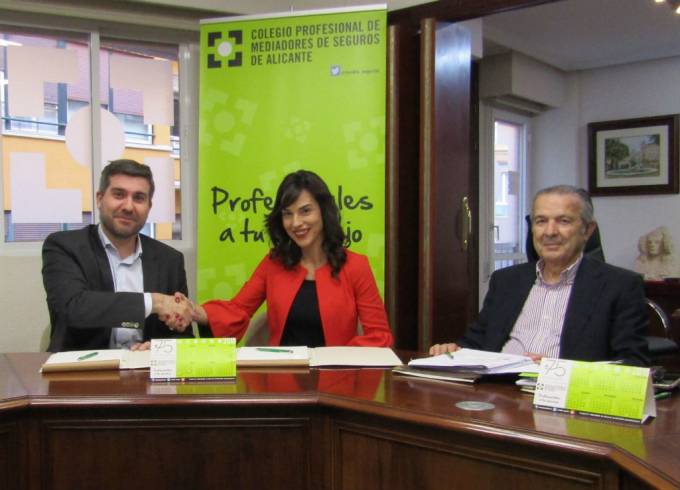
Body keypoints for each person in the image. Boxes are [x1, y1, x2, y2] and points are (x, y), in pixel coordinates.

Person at [430, 185, 649, 366]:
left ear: (587, 230)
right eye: (541, 221)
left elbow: (632, 365)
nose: (550, 232)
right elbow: (477, 341)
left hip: (562, 397)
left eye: (563, 221)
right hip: (497, 392)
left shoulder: (620, 286)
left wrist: (556, 370)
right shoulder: (506, 281)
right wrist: (454, 350)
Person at [189, 170, 393, 347]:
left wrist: (343, 356)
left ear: (324, 211)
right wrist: (195, 312)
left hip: (338, 375)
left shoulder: (356, 266)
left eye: (305, 211)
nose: (296, 223)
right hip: (282, 373)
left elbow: (379, 335)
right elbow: (237, 311)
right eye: (288, 214)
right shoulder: (273, 263)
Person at [42, 159, 193, 352]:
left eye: (139, 198)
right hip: (82, 367)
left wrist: (160, 349)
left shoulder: (170, 260)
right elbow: (73, 308)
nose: (128, 206)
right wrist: (155, 302)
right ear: (99, 199)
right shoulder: (64, 247)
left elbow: (182, 334)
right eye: (119, 194)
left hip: (146, 368)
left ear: (149, 206)